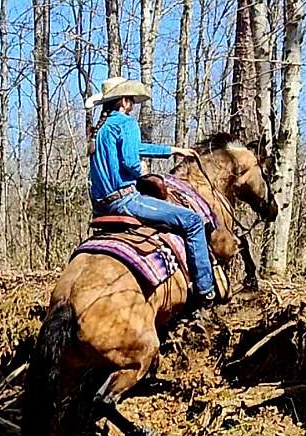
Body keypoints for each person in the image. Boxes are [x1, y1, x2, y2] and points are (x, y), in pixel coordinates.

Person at [85, 77, 215, 304]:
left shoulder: (102, 128)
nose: (133, 105)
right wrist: (140, 169)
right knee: (193, 221)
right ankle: (205, 289)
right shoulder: (126, 123)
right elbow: (130, 161)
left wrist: (173, 150)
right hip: (124, 200)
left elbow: (134, 147)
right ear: (124, 101)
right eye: (132, 100)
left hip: (101, 204)